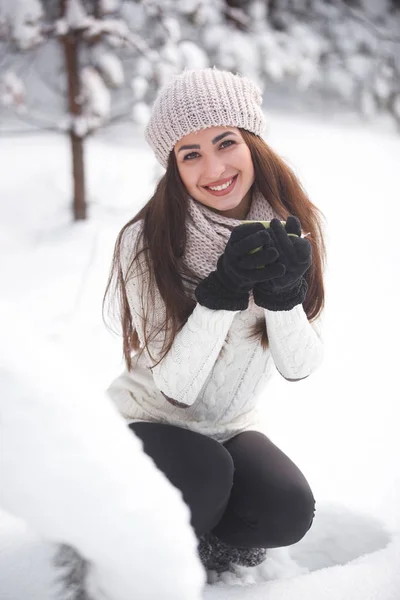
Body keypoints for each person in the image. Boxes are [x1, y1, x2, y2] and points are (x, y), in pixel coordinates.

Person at [103, 67, 325, 573]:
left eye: (225, 143)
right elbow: (175, 384)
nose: (214, 167)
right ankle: (128, 553)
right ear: (173, 167)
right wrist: (220, 295)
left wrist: (282, 296)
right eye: (190, 154)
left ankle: (205, 553)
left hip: (229, 426)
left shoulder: (294, 225)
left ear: (251, 143)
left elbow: (300, 364)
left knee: (286, 509)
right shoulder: (146, 241)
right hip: (149, 419)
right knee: (204, 474)